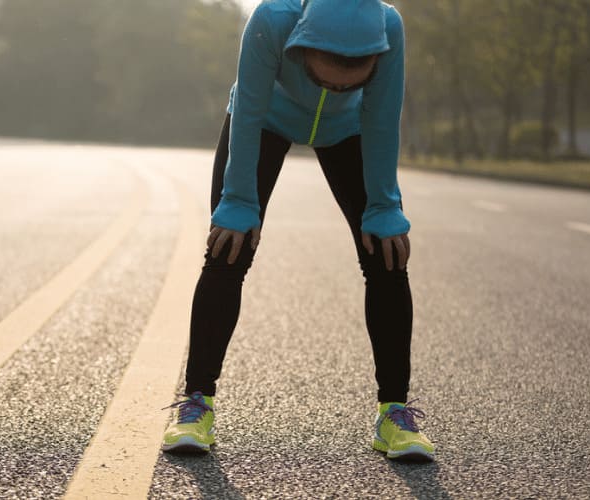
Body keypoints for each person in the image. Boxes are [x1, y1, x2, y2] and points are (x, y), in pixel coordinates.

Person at [160, 0, 435, 461]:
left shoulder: (389, 27)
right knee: (229, 249)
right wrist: (240, 201)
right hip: (265, 119)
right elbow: (248, 108)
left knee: (386, 253)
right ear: (303, 44)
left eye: (348, 83)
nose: (332, 86)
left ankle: (394, 414)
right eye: (323, 78)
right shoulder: (272, 19)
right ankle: (195, 404)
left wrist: (385, 205)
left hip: (348, 131)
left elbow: (383, 117)